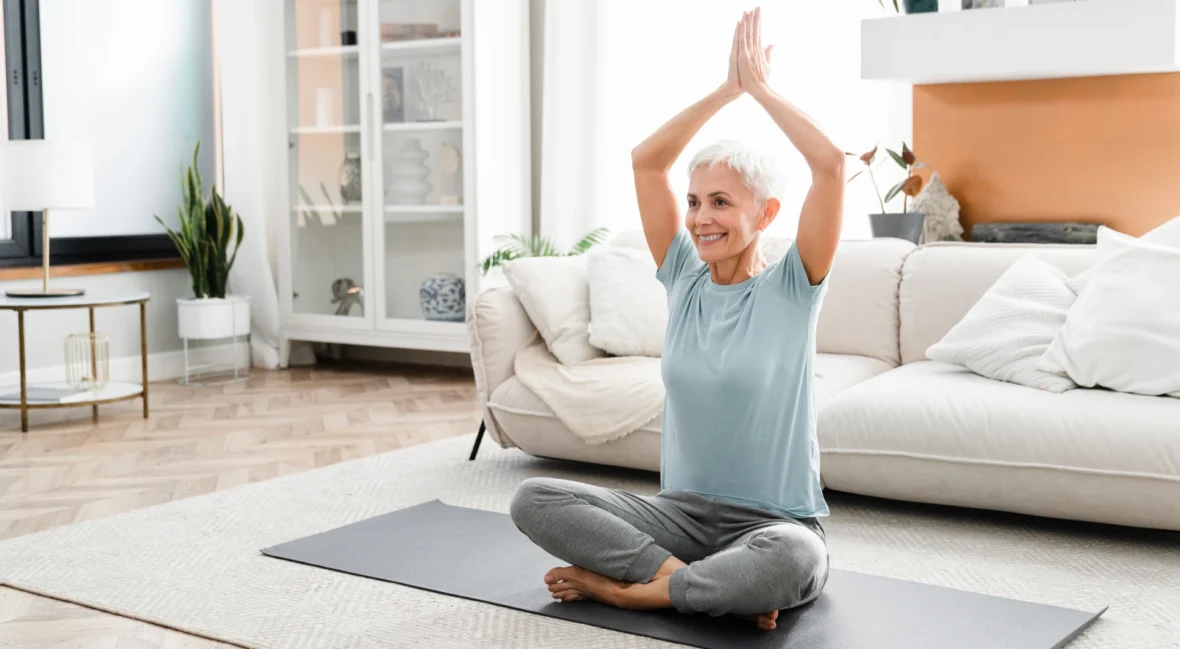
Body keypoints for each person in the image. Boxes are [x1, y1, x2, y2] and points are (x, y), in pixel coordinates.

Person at [509, 7, 844, 632]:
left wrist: (762, 91)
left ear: (766, 214)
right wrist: (726, 89)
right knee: (535, 498)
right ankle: (689, 584)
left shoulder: (794, 287)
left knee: (797, 558)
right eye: (694, 202)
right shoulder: (684, 280)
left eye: (721, 202)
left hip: (773, 524)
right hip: (679, 520)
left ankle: (629, 592)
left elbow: (828, 164)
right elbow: (646, 162)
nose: (700, 218)